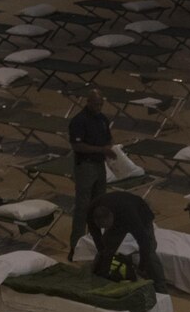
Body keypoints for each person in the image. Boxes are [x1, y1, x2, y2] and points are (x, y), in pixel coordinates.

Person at [86, 192, 167, 294]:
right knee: (106, 249)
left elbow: (144, 243)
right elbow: (96, 236)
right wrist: (102, 250)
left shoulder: (131, 216)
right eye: (102, 227)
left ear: (111, 216)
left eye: (106, 226)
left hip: (141, 213)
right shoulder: (91, 211)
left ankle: (161, 288)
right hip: (119, 213)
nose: (105, 229)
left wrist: (141, 267)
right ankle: (98, 278)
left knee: (150, 252)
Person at [68, 88, 115, 260]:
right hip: (86, 166)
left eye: (101, 104)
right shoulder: (79, 121)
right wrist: (101, 149)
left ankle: (98, 244)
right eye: (96, 104)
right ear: (87, 102)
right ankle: (76, 246)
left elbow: (108, 138)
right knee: (82, 207)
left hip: (99, 164)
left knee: (100, 206)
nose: (98, 107)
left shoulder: (102, 119)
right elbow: (77, 146)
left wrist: (109, 148)